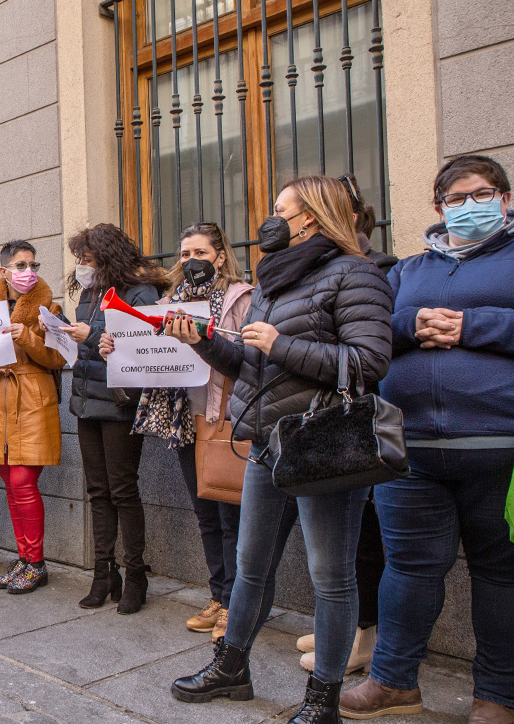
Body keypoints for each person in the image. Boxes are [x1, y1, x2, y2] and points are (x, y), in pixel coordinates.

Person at [166, 176, 393, 724]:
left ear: (309, 216)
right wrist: (203, 341)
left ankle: (323, 699)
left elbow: (369, 362)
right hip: (268, 442)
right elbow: (253, 366)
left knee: (330, 579)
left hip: (325, 445)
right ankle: (231, 668)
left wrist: (281, 343)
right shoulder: (272, 278)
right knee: (250, 566)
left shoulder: (357, 272)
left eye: (278, 209)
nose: (268, 219)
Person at [340, 156, 514, 723]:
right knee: (409, 568)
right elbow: (369, 332)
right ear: (439, 207)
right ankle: (393, 682)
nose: (469, 205)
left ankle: (497, 695)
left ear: (504, 199)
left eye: (482, 194)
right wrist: (410, 325)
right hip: (408, 449)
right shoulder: (407, 271)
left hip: (499, 447)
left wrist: (472, 326)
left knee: (500, 573)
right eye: (456, 198)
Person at [104, 222, 253, 630]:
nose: (191, 261)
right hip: (185, 420)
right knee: (206, 515)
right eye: (185, 254)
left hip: (223, 419)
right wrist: (115, 348)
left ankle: (236, 605)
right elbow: (146, 352)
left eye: (200, 253)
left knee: (231, 518)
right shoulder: (168, 302)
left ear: (220, 256)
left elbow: (246, 357)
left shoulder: (241, 298)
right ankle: (218, 596)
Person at [295, 176, 397, 673]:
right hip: (330, 418)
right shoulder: (318, 273)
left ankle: (364, 634)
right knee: (342, 546)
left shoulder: (378, 270)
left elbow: (374, 351)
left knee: (366, 538)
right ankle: (345, 624)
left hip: (362, 420)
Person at [63, 224, 166, 614]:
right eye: (80, 259)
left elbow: (144, 345)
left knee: (123, 490)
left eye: (88, 259)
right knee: (97, 491)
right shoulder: (89, 292)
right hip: (86, 401)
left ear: (107, 258)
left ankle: (135, 574)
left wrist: (90, 336)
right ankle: (104, 573)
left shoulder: (140, 292)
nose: (82, 266)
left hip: (120, 403)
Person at [0, 240, 65, 595]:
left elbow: (58, 358)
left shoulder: (50, 307)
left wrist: (30, 338)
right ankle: (24, 559)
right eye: (21, 266)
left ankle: (36, 563)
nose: (28, 272)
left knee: (23, 483)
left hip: (31, 399)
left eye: (33, 265)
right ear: (3, 271)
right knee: (10, 483)